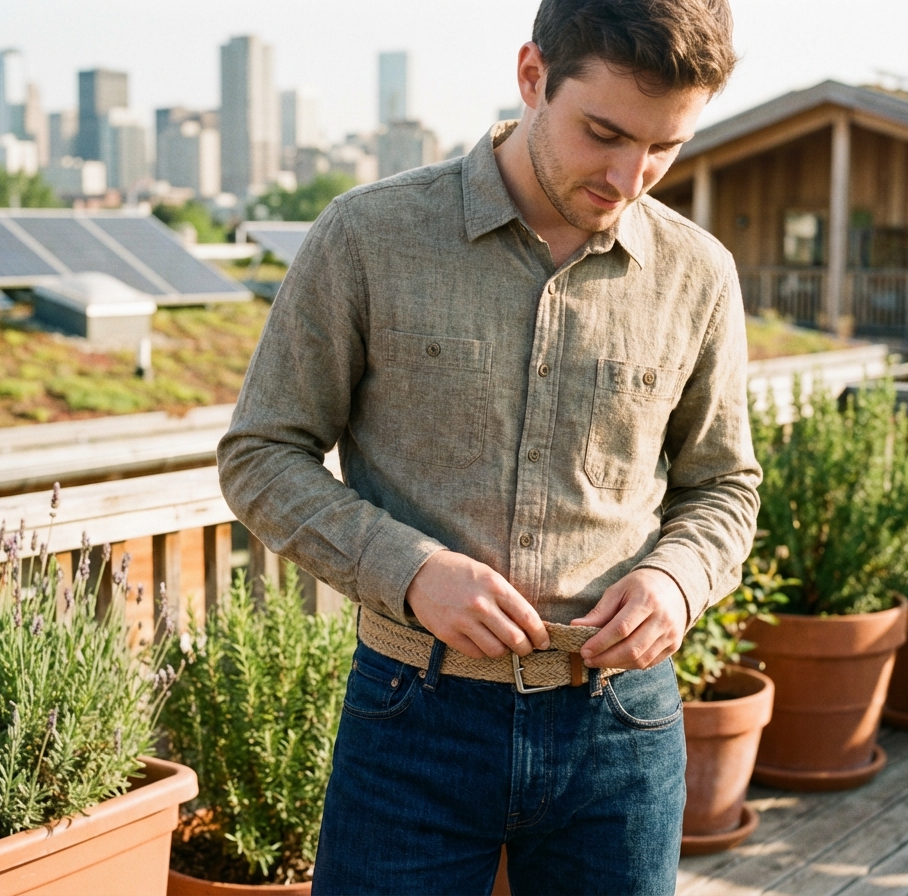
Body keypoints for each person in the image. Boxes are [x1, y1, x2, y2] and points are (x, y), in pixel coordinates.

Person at [217, 0, 759, 892]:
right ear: (532, 75)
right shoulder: (367, 236)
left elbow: (723, 486)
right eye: (605, 134)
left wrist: (679, 579)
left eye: (665, 147)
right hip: (413, 718)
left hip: (620, 727)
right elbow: (261, 454)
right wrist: (413, 570)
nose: (631, 177)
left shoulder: (699, 274)